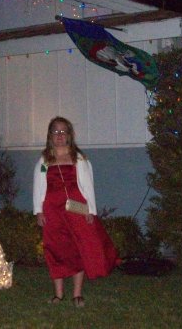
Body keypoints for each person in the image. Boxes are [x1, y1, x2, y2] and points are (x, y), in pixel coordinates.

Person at [33, 116, 119, 308]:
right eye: (56, 132)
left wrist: (90, 210)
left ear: (70, 135)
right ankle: (58, 294)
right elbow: (39, 187)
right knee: (56, 250)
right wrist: (39, 211)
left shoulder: (79, 158)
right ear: (50, 136)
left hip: (76, 209)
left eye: (63, 132)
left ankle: (77, 294)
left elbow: (88, 186)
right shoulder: (44, 161)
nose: (60, 136)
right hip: (52, 212)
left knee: (76, 248)